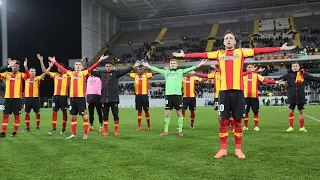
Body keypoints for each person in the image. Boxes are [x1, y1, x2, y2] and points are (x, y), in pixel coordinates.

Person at [172, 30, 296, 158]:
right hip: (224, 93)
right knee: (223, 121)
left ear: (235, 41)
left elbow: (260, 51)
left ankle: (238, 149)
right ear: (224, 41)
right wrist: (185, 55)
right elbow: (202, 54)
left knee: (237, 121)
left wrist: (280, 48)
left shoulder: (241, 52)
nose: (229, 40)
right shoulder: (219, 53)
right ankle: (223, 149)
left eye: (231, 38)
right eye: (226, 38)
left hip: (238, 93)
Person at [141, 59, 207, 136]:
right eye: (171, 63)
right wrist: (148, 66)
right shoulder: (166, 72)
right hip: (168, 96)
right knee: (167, 114)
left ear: (177, 65)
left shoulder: (180, 71)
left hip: (177, 96)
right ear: (169, 64)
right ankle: (165, 131)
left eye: (174, 63)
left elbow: (191, 68)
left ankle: (180, 131)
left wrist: (200, 64)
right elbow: (157, 69)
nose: (172, 64)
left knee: (179, 113)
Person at [48, 55, 108, 140]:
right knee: (73, 116)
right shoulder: (70, 73)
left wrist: (99, 60)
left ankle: (85, 134)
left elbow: (92, 67)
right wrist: (55, 62)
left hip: (80, 99)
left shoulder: (83, 73)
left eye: (80, 64)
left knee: (84, 117)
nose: (78, 66)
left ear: (82, 66)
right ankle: (73, 134)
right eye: (77, 65)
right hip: (72, 99)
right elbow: (62, 68)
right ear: (74, 66)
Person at [91, 61, 140, 136]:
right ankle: (105, 131)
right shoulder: (101, 74)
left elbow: (125, 71)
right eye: (107, 66)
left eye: (109, 66)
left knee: (115, 115)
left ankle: (116, 131)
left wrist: (133, 66)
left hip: (114, 99)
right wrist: (84, 66)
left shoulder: (116, 73)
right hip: (104, 99)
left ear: (113, 67)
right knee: (105, 116)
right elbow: (89, 71)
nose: (108, 67)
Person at [279, 62, 320, 132]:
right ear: (291, 67)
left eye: (296, 66)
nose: (295, 67)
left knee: (301, 112)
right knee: (291, 111)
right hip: (292, 96)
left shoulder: (303, 74)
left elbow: (314, 78)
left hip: (301, 96)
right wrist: (277, 82)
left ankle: (302, 127)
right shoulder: (288, 75)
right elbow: (278, 80)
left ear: (299, 67)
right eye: (293, 66)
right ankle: (291, 127)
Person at [242, 64, 284, 132]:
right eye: (248, 67)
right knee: (245, 113)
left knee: (255, 112)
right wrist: (256, 71)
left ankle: (256, 126)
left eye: (251, 67)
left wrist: (276, 81)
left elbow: (265, 80)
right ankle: (245, 126)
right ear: (246, 68)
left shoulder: (256, 75)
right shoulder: (243, 76)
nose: (250, 68)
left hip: (254, 97)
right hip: (245, 97)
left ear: (253, 68)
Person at [38, 54, 70, 135]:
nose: (59, 69)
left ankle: (63, 129)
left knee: (64, 112)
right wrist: (41, 61)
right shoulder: (55, 74)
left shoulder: (67, 75)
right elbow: (44, 71)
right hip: (55, 97)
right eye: (58, 68)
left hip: (64, 97)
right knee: (54, 112)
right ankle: (54, 129)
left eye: (60, 68)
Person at [0, 59, 29, 138]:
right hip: (7, 98)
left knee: (16, 116)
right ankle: (3, 132)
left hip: (17, 99)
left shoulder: (21, 74)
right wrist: (7, 66)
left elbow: (28, 77)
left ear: (18, 68)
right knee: (5, 115)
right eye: (13, 66)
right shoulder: (7, 74)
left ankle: (14, 132)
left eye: (16, 66)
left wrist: (26, 67)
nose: (14, 67)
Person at [23, 58, 53, 132]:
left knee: (37, 113)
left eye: (34, 71)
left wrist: (50, 67)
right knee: (27, 113)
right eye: (31, 71)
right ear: (29, 72)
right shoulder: (26, 78)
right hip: (27, 98)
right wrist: (25, 66)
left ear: (35, 72)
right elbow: (26, 72)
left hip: (35, 98)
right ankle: (27, 128)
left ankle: (37, 127)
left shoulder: (38, 78)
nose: (33, 72)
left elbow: (45, 73)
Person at [128, 66, 153, 131]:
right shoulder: (135, 75)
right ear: (137, 70)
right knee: (139, 111)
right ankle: (139, 126)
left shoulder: (146, 75)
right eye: (139, 69)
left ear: (143, 70)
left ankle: (149, 125)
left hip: (145, 96)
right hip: (138, 96)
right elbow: (126, 73)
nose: (140, 70)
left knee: (146, 111)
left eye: (141, 69)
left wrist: (162, 70)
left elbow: (154, 73)